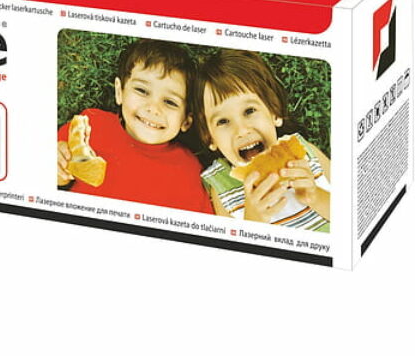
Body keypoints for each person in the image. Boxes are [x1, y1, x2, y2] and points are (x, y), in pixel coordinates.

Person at [57, 39, 214, 214]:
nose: (153, 108)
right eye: (142, 91)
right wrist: (58, 168)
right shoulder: (91, 126)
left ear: (186, 121)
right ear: (119, 92)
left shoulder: (188, 171)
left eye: (170, 102)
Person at [195, 49, 330, 230]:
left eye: (249, 111)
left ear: (274, 112)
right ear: (210, 137)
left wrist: (315, 196)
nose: (242, 130)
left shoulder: (305, 153)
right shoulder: (223, 188)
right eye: (223, 121)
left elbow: (351, 212)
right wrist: (254, 219)